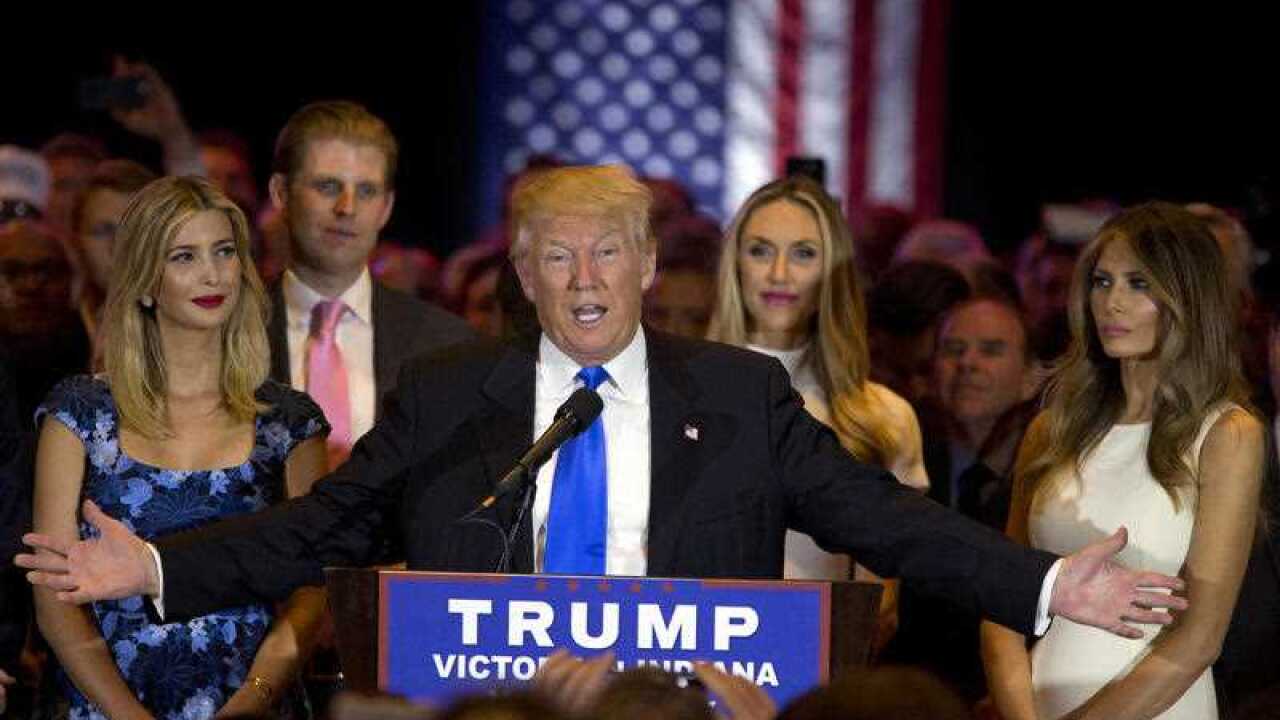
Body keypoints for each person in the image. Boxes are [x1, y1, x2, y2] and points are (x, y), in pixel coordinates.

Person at [20, 166, 1186, 675]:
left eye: (608, 251)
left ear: (643, 265)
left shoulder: (735, 395)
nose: (585, 277)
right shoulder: (444, 397)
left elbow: (880, 519)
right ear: (521, 274)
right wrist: (157, 570)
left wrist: (1041, 586)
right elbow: (319, 526)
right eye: (556, 255)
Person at [29, 176, 331, 719]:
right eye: (184, 257)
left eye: (224, 251)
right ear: (146, 281)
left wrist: (253, 699)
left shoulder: (289, 423)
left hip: (249, 701)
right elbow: (53, 600)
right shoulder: (80, 414)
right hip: (104, 704)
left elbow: (312, 590)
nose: (212, 273)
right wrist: (129, 715)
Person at [981, 202, 1264, 720]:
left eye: (1139, 284)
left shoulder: (1227, 434)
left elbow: (1200, 638)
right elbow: (1002, 598)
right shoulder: (1053, 429)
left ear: (1189, 299)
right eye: (1102, 281)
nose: (1111, 302)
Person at [706, 176, 926, 650]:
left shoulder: (883, 416)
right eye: (761, 251)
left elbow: (883, 603)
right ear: (734, 264)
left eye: (804, 253)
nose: (779, 273)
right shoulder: (678, 395)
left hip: (823, 669)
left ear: (834, 271)